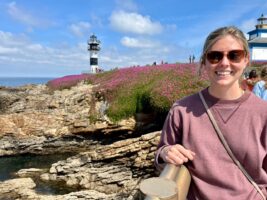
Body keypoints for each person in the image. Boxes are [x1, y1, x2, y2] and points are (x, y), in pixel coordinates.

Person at [155, 26, 267, 199]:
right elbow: (162, 154)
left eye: (234, 55)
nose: (224, 62)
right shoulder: (181, 110)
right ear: (204, 62)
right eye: (215, 56)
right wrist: (165, 152)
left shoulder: (263, 112)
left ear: (246, 60)